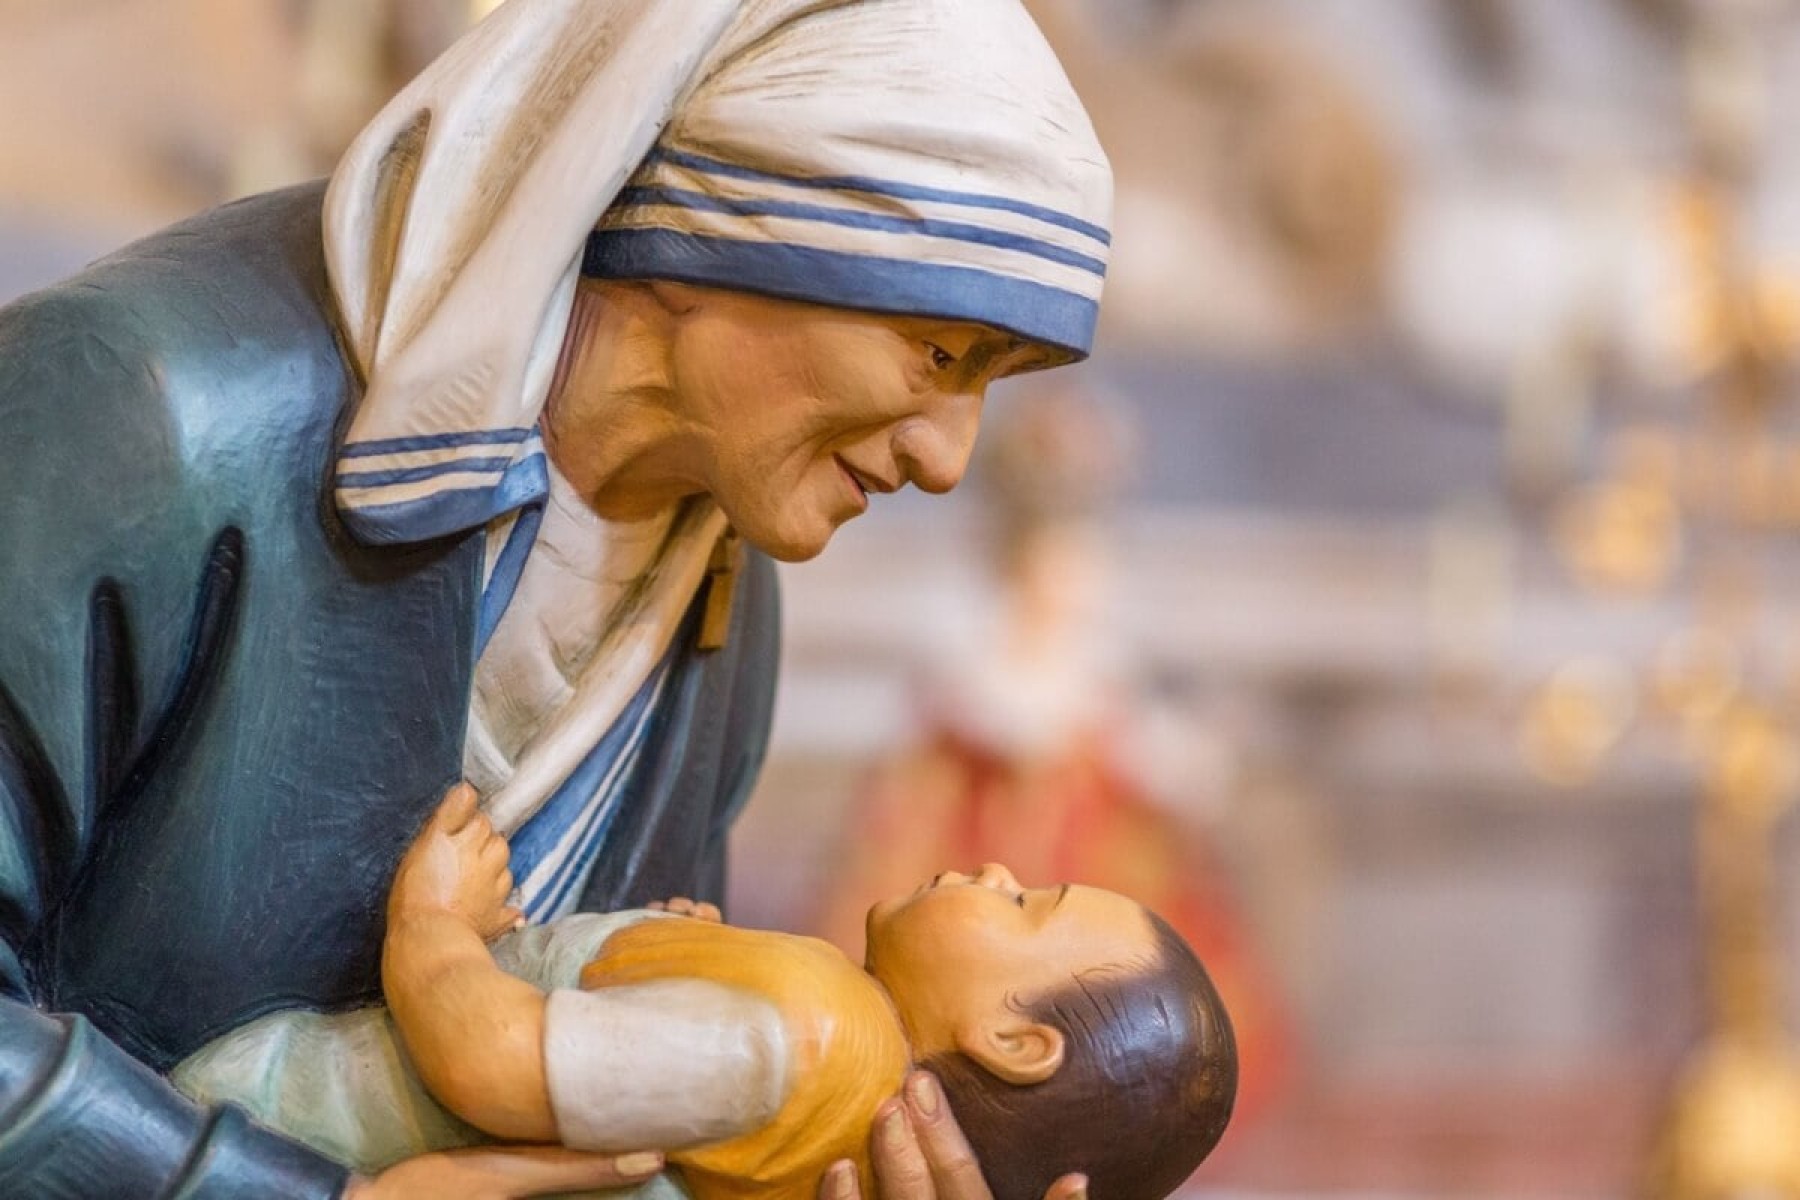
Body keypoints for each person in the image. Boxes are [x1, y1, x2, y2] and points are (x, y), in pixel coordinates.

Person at [0, 1, 1111, 1197]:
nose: (950, 459)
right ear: (727, 226)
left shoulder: (719, 589)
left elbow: (616, 1126)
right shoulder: (150, 413)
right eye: (941, 354)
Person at [174, 787, 1236, 1200]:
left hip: (278, 1119)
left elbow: (490, 1062)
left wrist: (433, 926)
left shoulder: (809, 1034)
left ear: (1016, 1041)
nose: (995, 871)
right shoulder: (816, 1053)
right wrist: (671, 960)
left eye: (1026, 905)